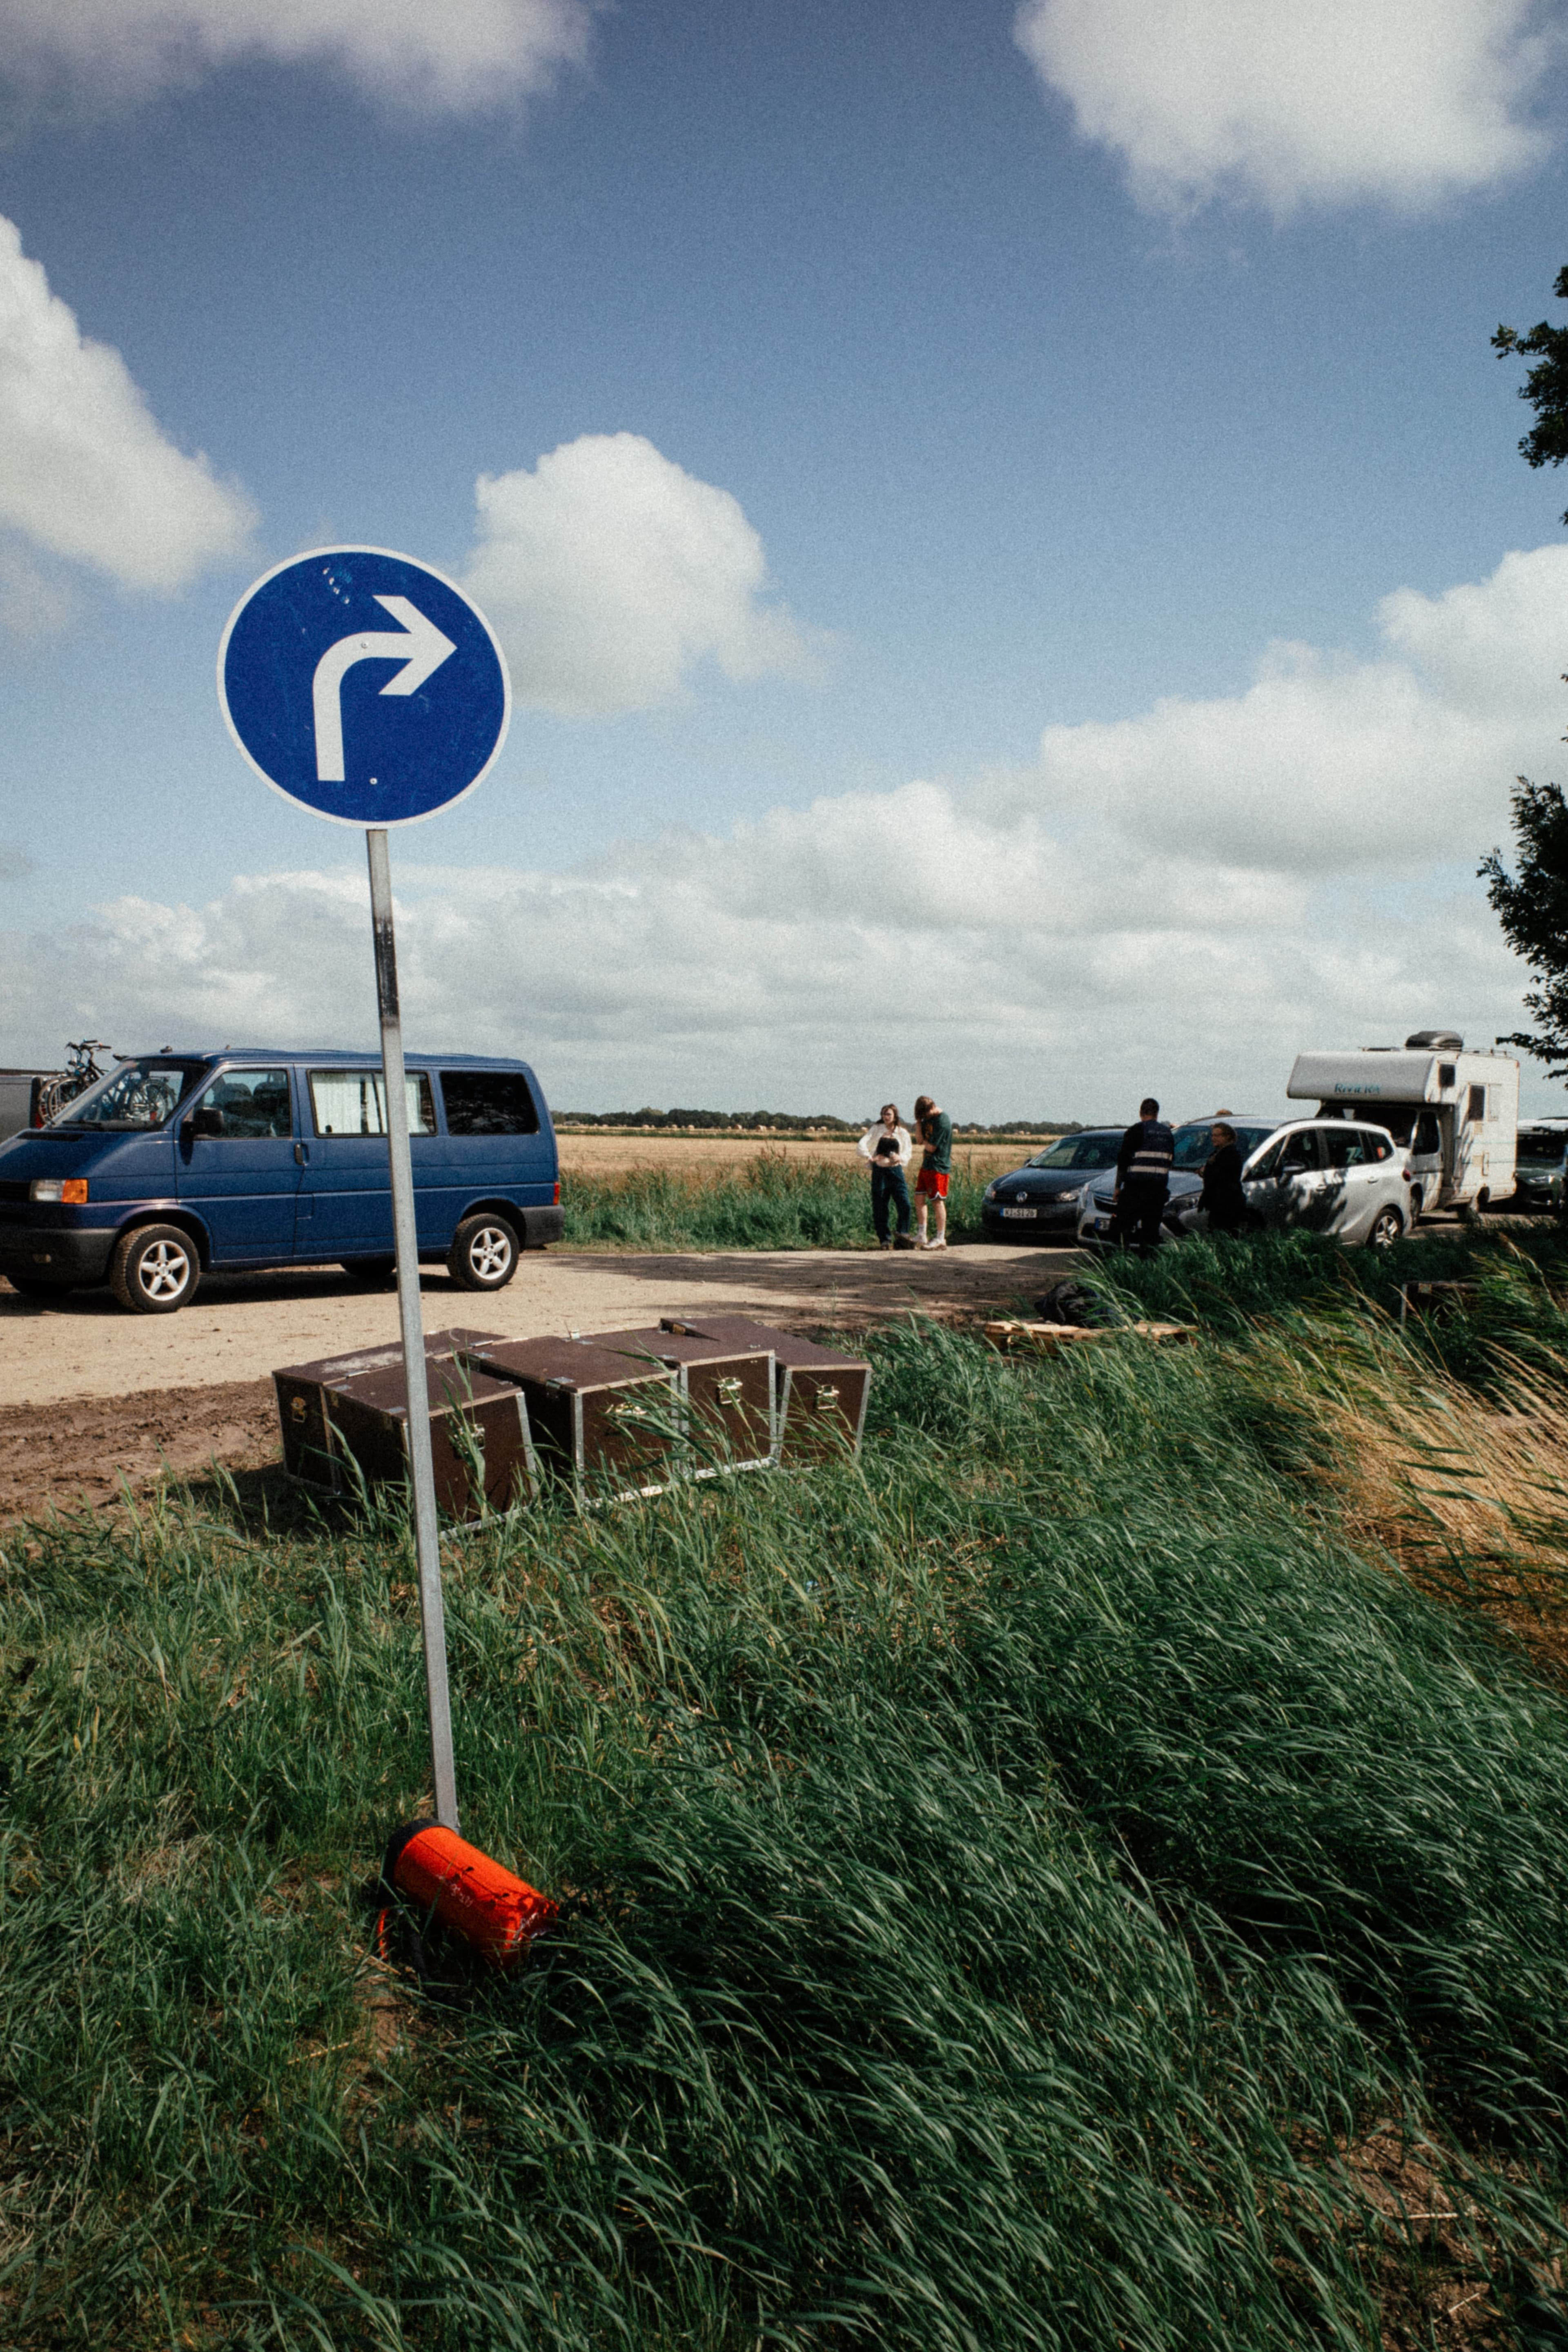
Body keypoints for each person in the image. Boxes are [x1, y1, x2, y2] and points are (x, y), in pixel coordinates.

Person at [1111, 1096, 1174, 1256]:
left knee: (1121, 1226)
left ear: (1141, 1113)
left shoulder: (1136, 1130)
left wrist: (1118, 1188)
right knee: (1151, 1231)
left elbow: (1123, 1161)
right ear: (1157, 1114)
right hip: (1158, 1189)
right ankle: (1148, 1264)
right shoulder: (1168, 1134)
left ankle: (1123, 1260)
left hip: (1136, 1188)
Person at [857, 1102, 915, 1249]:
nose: (885, 1117)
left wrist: (900, 1158)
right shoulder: (877, 1129)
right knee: (881, 1206)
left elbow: (908, 1151)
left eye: (888, 1114)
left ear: (895, 1116)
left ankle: (902, 1235)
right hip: (880, 1173)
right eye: (883, 1114)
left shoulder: (902, 1133)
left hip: (896, 1172)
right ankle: (885, 1240)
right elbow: (862, 1144)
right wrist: (870, 1157)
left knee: (905, 1204)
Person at [911, 1093, 953, 1250]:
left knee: (937, 1201)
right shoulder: (927, 1119)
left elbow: (931, 1147)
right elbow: (919, 1140)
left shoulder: (942, 1121)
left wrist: (924, 1140)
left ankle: (940, 1237)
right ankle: (922, 1234)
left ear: (931, 1108)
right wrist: (918, 1122)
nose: (924, 1118)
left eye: (925, 1115)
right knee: (919, 1198)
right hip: (927, 1164)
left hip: (938, 1166)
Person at [1199, 1121, 1249, 1236]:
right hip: (1218, 1203)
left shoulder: (1231, 1154)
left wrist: (1206, 1171)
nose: (1213, 1138)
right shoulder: (1218, 1153)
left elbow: (1222, 1176)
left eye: (1217, 1136)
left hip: (1227, 1203)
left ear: (1227, 1137)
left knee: (1225, 1234)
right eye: (1212, 1135)